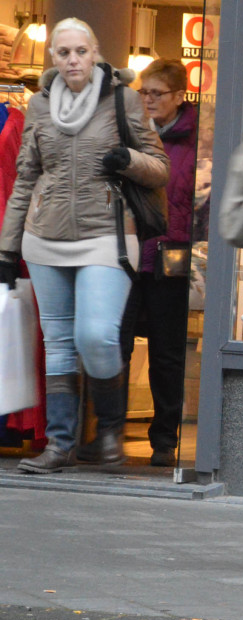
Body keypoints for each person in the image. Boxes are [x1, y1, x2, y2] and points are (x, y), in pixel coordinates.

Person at [0, 18, 169, 474]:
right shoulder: (38, 105)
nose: (72, 60)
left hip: (106, 235)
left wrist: (129, 160)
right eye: (63, 53)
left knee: (94, 335)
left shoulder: (123, 100)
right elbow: (25, 178)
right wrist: (7, 249)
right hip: (45, 236)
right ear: (52, 58)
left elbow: (161, 167)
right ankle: (59, 445)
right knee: (57, 342)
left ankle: (109, 431)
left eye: (80, 51)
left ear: (95, 53)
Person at [115, 58, 197, 468]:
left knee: (167, 353)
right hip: (127, 253)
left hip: (172, 257)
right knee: (117, 345)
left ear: (180, 96)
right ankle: (108, 433)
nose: (148, 100)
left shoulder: (197, 140)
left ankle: (164, 440)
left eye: (157, 93)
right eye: (143, 92)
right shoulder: (126, 132)